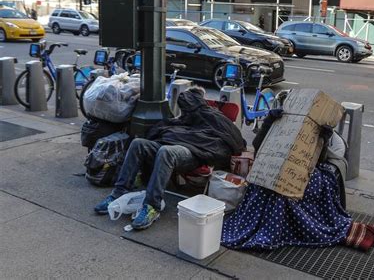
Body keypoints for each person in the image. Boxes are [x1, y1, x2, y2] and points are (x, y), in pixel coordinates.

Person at [94, 87, 246, 230]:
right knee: (138, 143)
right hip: (176, 145)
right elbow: (171, 128)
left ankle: (152, 206)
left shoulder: (213, 115)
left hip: (195, 154)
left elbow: (235, 140)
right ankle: (118, 193)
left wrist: (190, 137)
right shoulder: (185, 117)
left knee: (166, 152)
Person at [221, 110, 352, 250]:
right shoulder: (280, 122)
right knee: (264, 185)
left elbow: (319, 160)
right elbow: (259, 148)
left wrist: (323, 139)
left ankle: (279, 227)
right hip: (276, 165)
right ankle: (264, 225)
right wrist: (268, 122)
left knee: (284, 193)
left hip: (309, 170)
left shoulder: (325, 133)